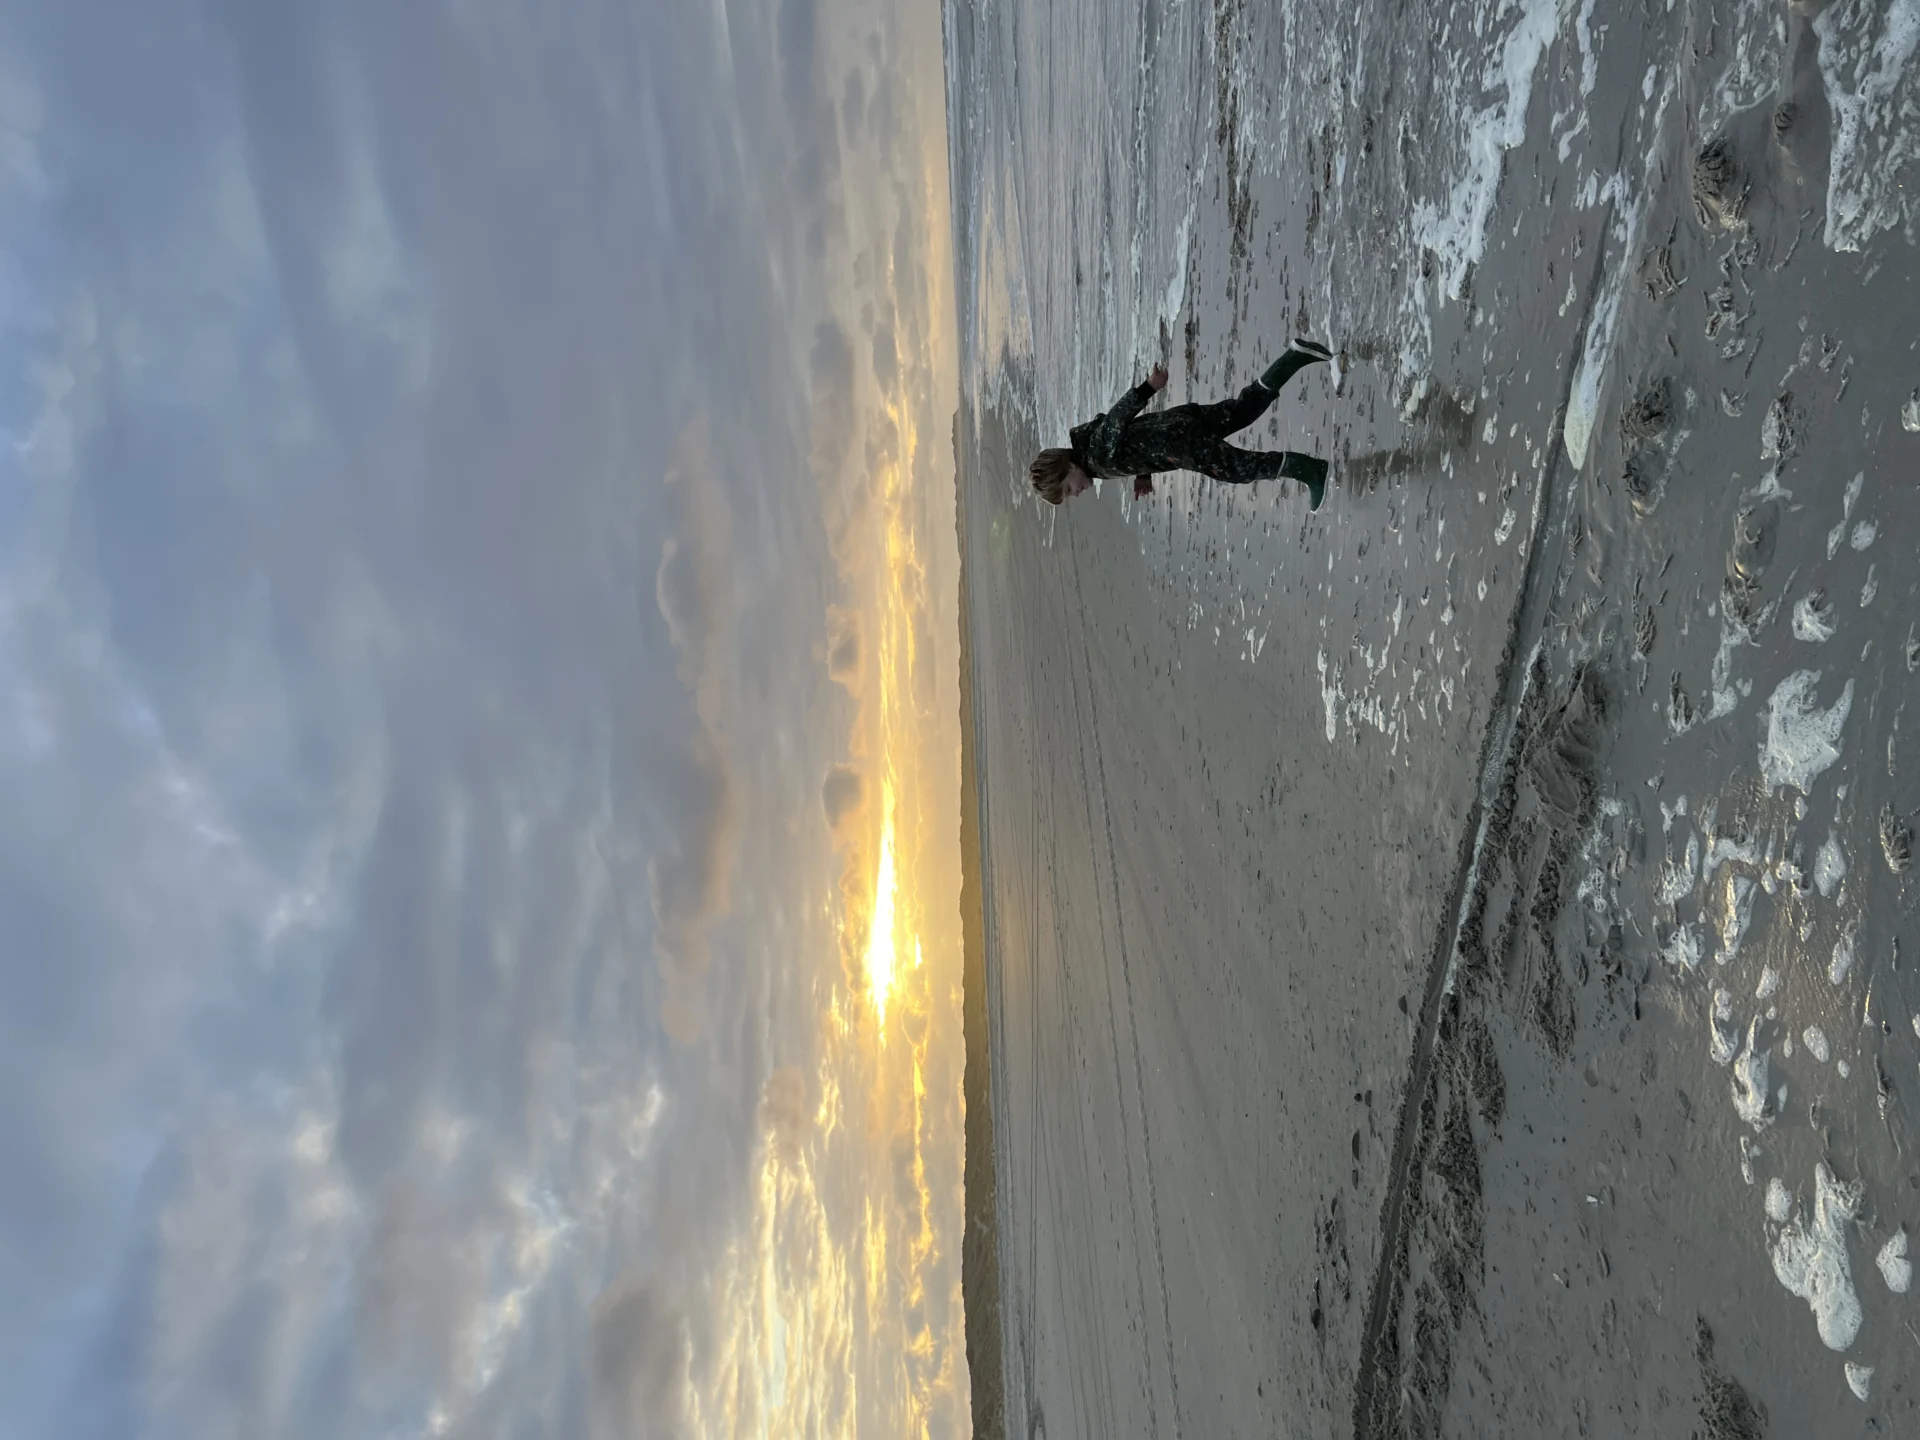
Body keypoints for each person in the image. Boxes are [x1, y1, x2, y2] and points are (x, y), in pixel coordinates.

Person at [1030, 339, 1335, 510]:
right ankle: (1295, 357)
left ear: (1069, 467)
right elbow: (1125, 438)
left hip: (1180, 444)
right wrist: (1143, 473)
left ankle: (1309, 469)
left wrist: (1148, 387)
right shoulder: (1089, 447)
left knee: (1236, 468)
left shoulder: (1095, 456)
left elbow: (1116, 420)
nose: (1075, 493)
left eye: (1068, 489)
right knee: (1242, 410)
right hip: (1178, 421)